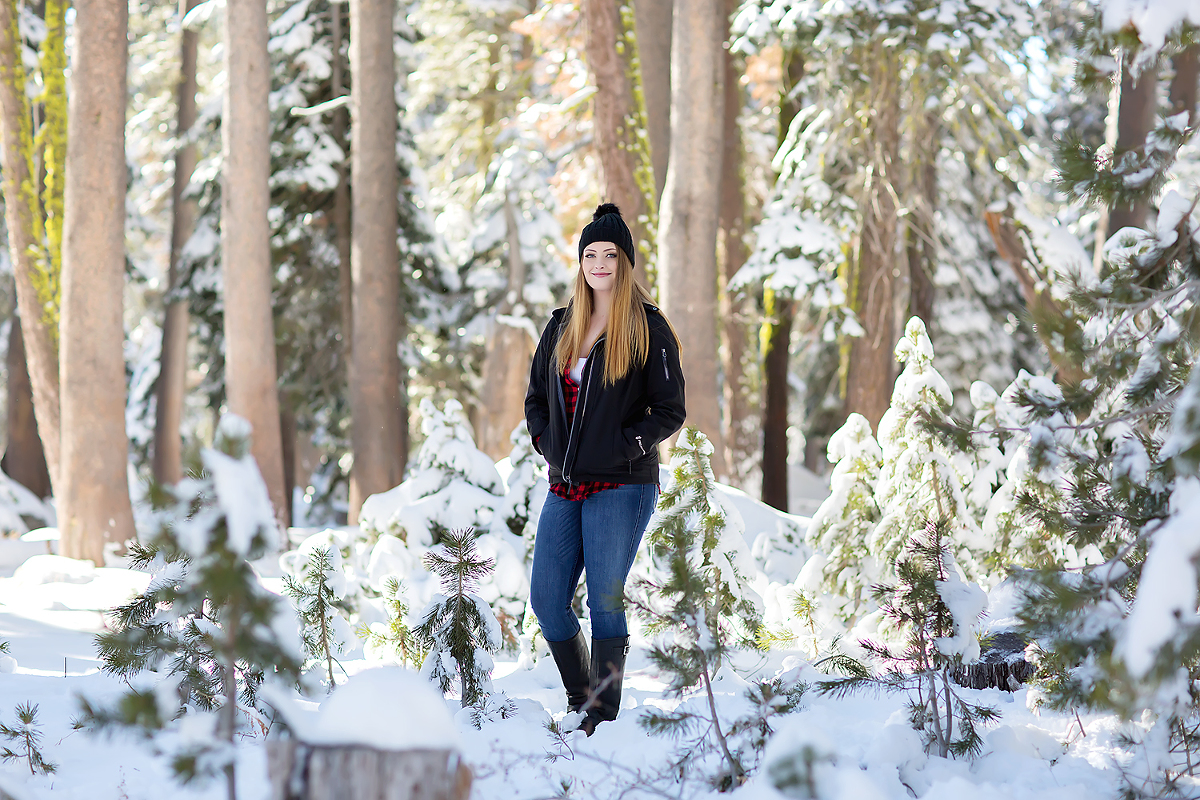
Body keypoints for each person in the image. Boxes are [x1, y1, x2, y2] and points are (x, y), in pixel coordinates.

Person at [524, 203, 685, 735]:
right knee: (548, 598)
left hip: (623, 484)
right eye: (590, 254)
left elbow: (670, 409)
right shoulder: (561, 325)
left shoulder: (648, 327)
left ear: (624, 262)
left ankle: (601, 715)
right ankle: (581, 697)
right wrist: (546, 441)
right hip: (565, 483)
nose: (598, 263)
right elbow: (536, 399)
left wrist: (625, 445)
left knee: (604, 601)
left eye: (608, 254)